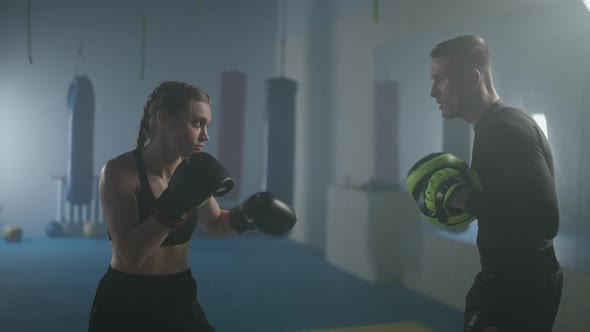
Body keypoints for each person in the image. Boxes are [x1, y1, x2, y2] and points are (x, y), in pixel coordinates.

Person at [88, 81, 296, 332]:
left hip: (179, 294)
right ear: (164, 119)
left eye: (207, 125)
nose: (205, 135)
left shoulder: (193, 171)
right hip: (127, 300)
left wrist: (246, 215)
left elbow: (216, 223)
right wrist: (176, 203)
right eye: (197, 123)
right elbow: (130, 256)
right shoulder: (119, 172)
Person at [428, 35, 563, 332]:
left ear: (473, 78)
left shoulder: (506, 129)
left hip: (520, 289)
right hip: (511, 280)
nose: (432, 92)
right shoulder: (494, 126)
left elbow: (545, 221)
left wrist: (463, 198)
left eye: (441, 80)